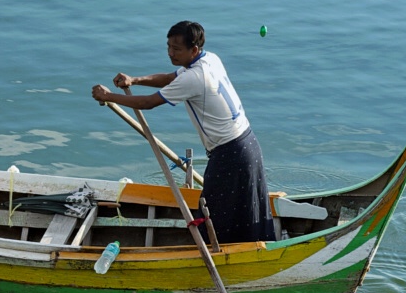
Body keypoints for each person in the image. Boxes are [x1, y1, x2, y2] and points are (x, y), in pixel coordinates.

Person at [90, 20, 277, 244]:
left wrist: (109, 96)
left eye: (177, 49)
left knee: (215, 212)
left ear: (194, 49)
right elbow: (170, 78)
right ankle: (245, 248)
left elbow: (150, 102)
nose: (170, 53)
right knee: (241, 208)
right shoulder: (209, 59)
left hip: (232, 152)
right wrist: (135, 80)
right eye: (168, 47)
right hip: (247, 143)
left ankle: (224, 257)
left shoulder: (194, 78)